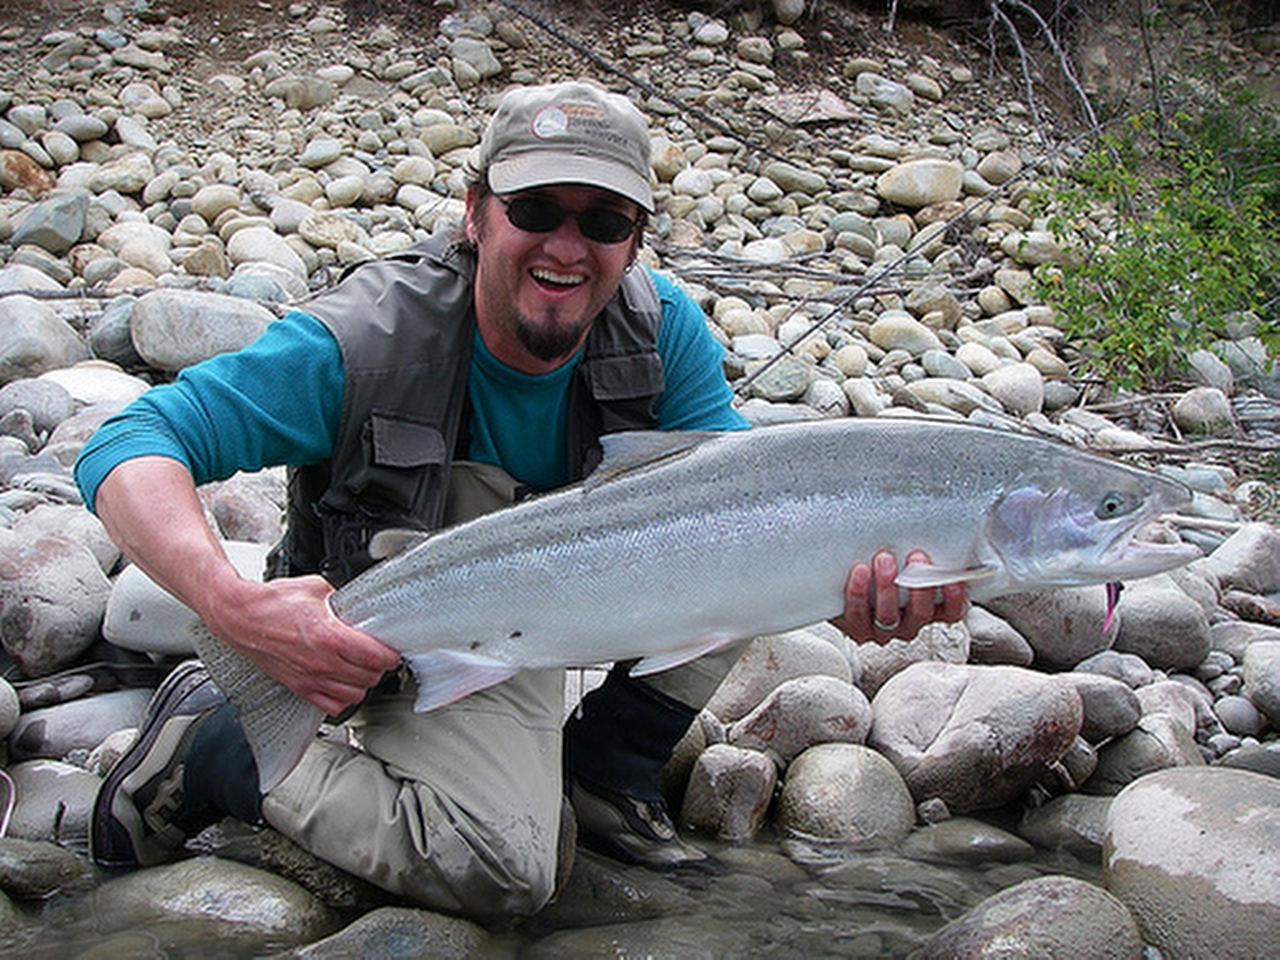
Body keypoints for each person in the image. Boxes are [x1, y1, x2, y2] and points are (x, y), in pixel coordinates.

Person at [73, 81, 967, 922]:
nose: (568, 247)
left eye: (606, 220)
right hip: (375, 640)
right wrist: (235, 610)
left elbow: (751, 507)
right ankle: (223, 745)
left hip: (545, 611)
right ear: (474, 214)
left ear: (637, 239)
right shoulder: (361, 341)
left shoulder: (663, 337)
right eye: (535, 211)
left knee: (745, 545)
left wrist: (849, 585)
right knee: (506, 873)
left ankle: (604, 776)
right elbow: (128, 445)